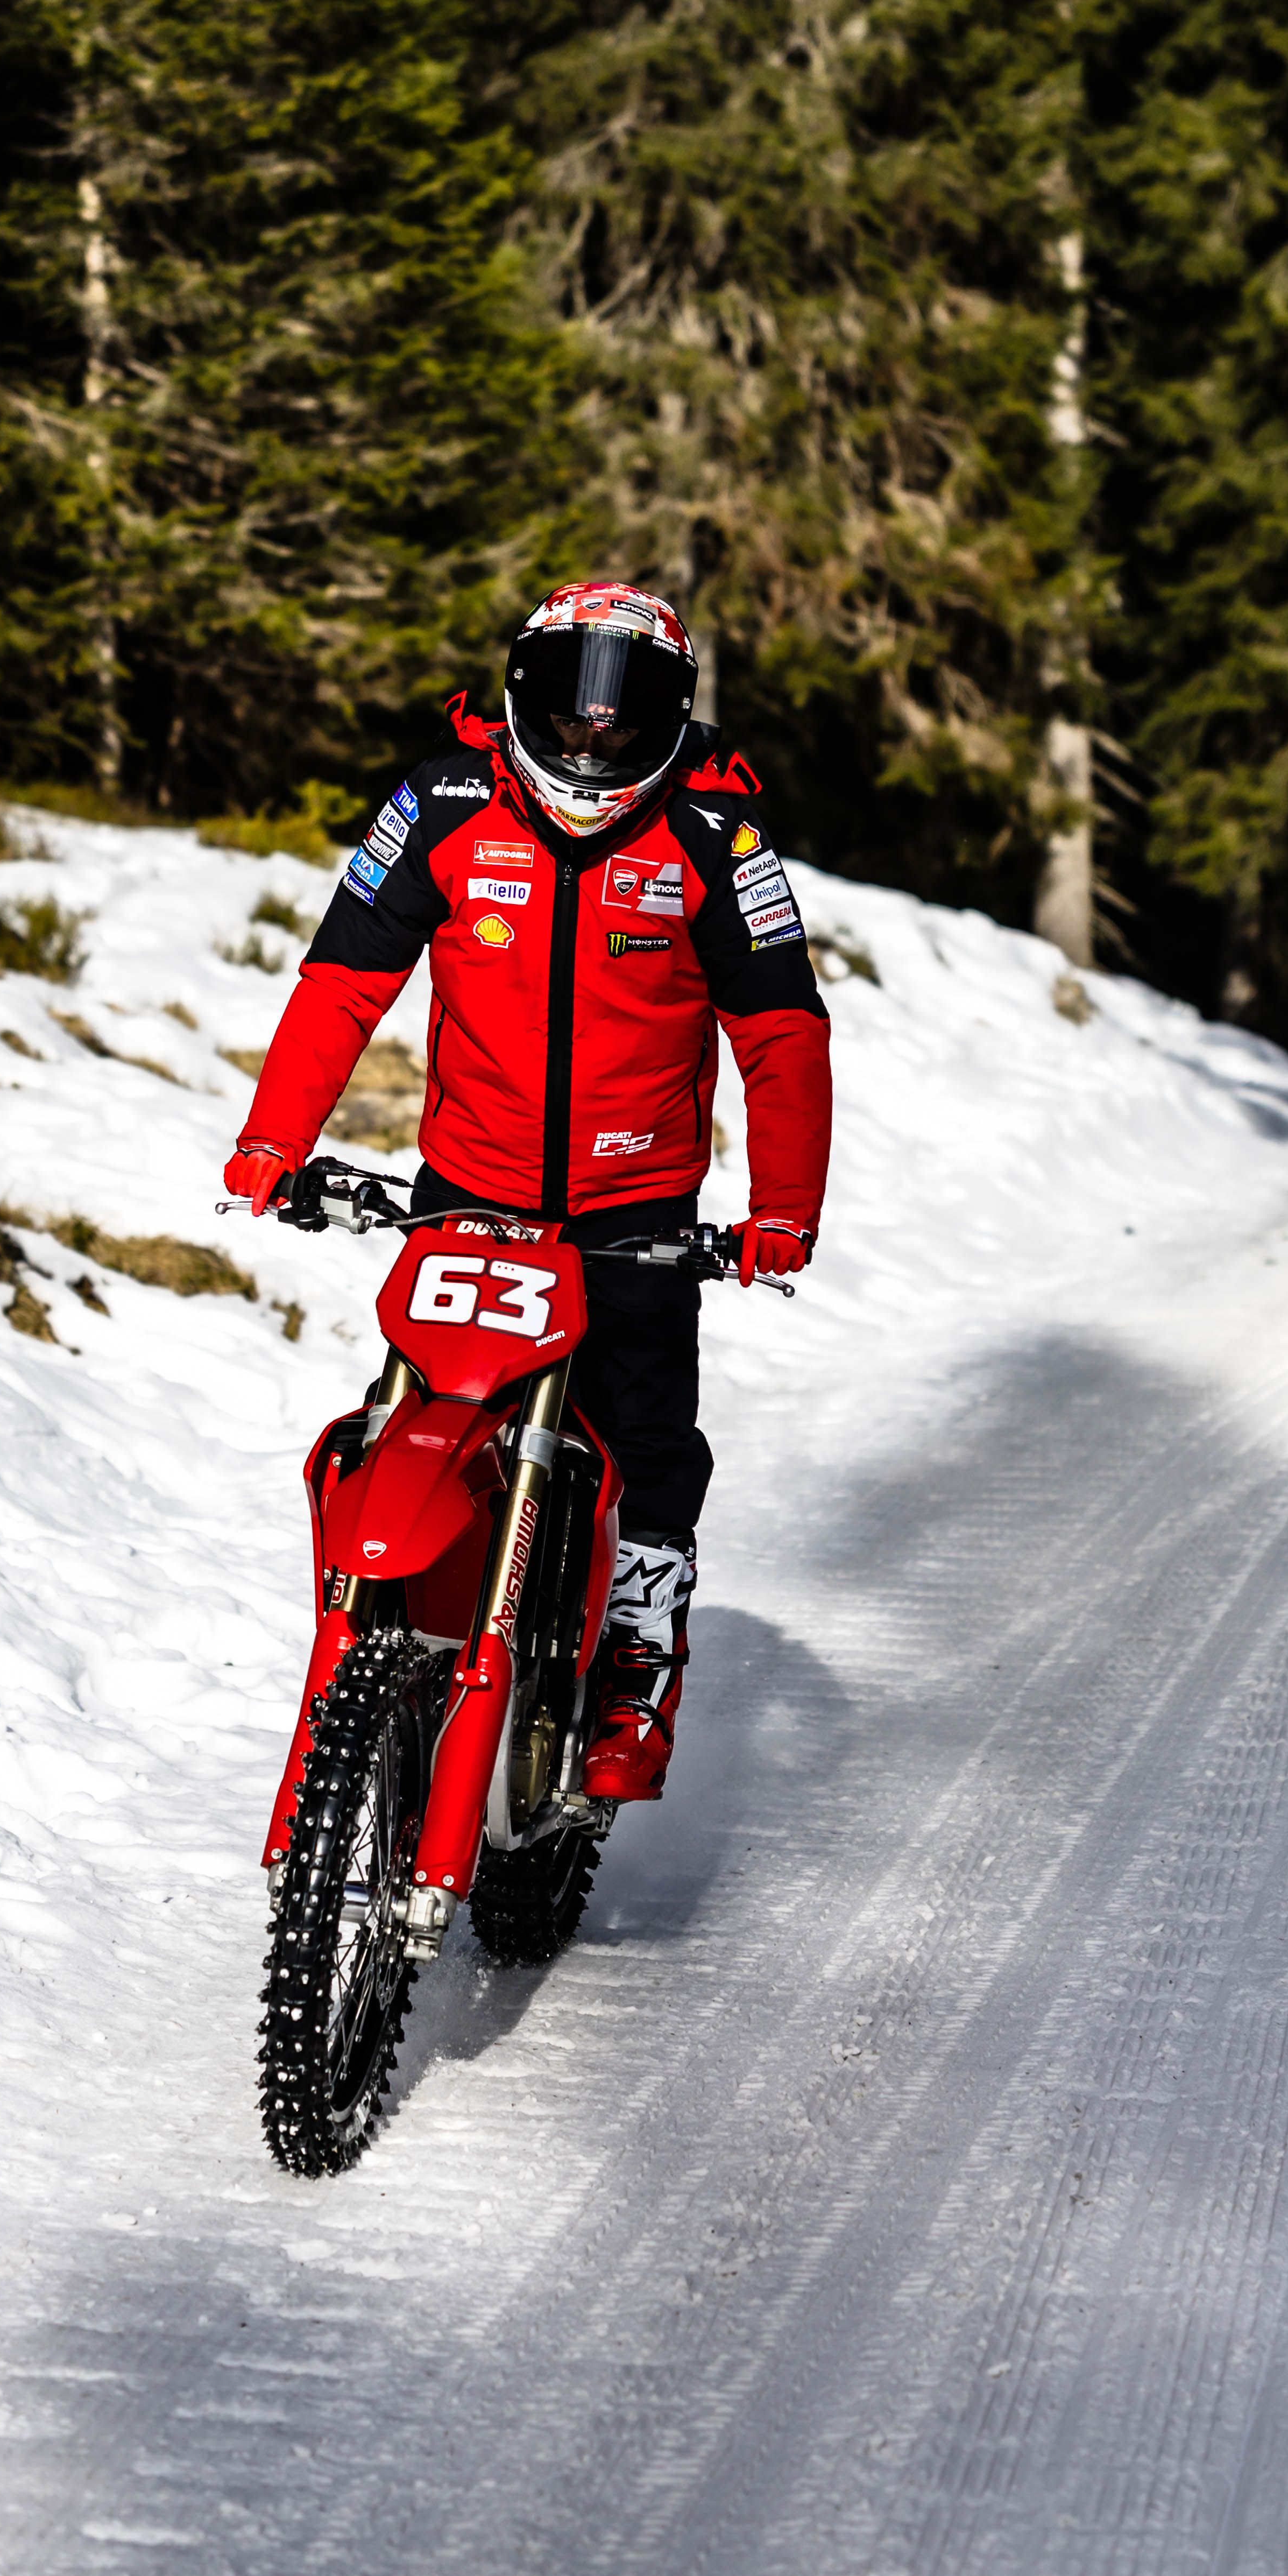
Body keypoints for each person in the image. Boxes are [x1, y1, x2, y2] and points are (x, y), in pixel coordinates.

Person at [224, 582, 832, 1798]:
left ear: (675, 714)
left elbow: (781, 1035)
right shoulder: (441, 799)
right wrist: (272, 1143)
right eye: (572, 703)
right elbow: (346, 979)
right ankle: (386, 1634)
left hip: (638, 1214)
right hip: (467, 1191)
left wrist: (780, 1217)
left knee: (650, 1441)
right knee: (402, 1424)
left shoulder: (719, 836)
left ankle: (639, 1659)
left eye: (627, 710)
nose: (595, 733)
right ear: (522, 693)